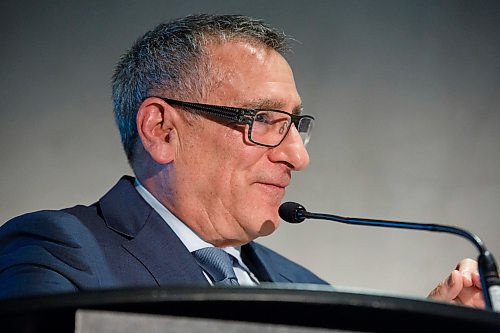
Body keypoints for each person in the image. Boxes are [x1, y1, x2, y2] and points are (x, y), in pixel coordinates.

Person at [0, 14, 485, 308]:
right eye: (266, 121)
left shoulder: (305, 287)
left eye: (296, 125)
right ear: (161, 130)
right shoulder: (55, 252)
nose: (297, 155)